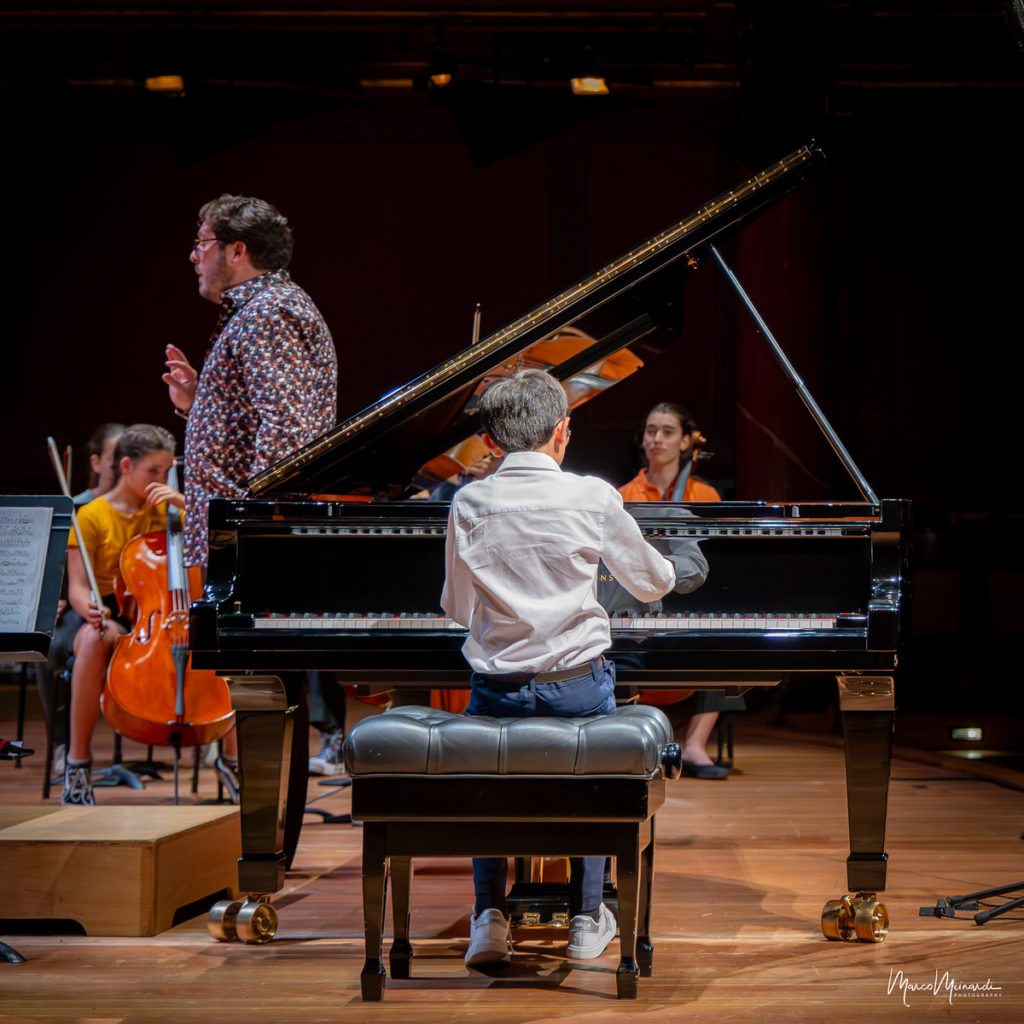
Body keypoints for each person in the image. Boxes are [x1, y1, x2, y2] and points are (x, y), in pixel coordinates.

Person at [441, 369, 676, 968]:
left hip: (497, 692)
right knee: (598, 774)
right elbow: (653, 582)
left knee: (487, 779)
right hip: (576, 692)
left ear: (490, 442)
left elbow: (457, 608)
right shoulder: (594, 496)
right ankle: (586, 917)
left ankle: (489, 917)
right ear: (561, 433)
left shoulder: (468, 501)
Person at [162, 194, 338, 861]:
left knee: (264, 702)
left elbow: (289, 437)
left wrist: (252, 535)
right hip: (250, 534)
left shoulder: (267, 315)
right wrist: (200, 401)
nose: (193, 254)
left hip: (255, 544)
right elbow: (261, 424)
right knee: (263, 703)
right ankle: (268, 849)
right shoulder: (266, 313)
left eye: (202, 240)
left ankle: (263, 860)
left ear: (239, 250)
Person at [62, 424, 184, 806]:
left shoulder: (168, 510)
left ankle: (229, 760)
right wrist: (91, 609)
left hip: (159, 613)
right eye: (153, 471)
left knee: (214, 640)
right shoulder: (91, 516)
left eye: (167, 471)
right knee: (91, 642)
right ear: (127, 466)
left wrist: (185, 505)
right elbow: (78, 587)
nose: (161, 480)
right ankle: (77, 764)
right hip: (108, 612)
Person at [618, 401, 741, 780]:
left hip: (690, 601)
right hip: (635, 602)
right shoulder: (622, 495)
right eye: (651, 430)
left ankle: (694, 745)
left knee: (728, 637)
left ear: (687, 442)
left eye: (668, 431)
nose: (657, 439)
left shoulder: (705, 498)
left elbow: (713, 564)